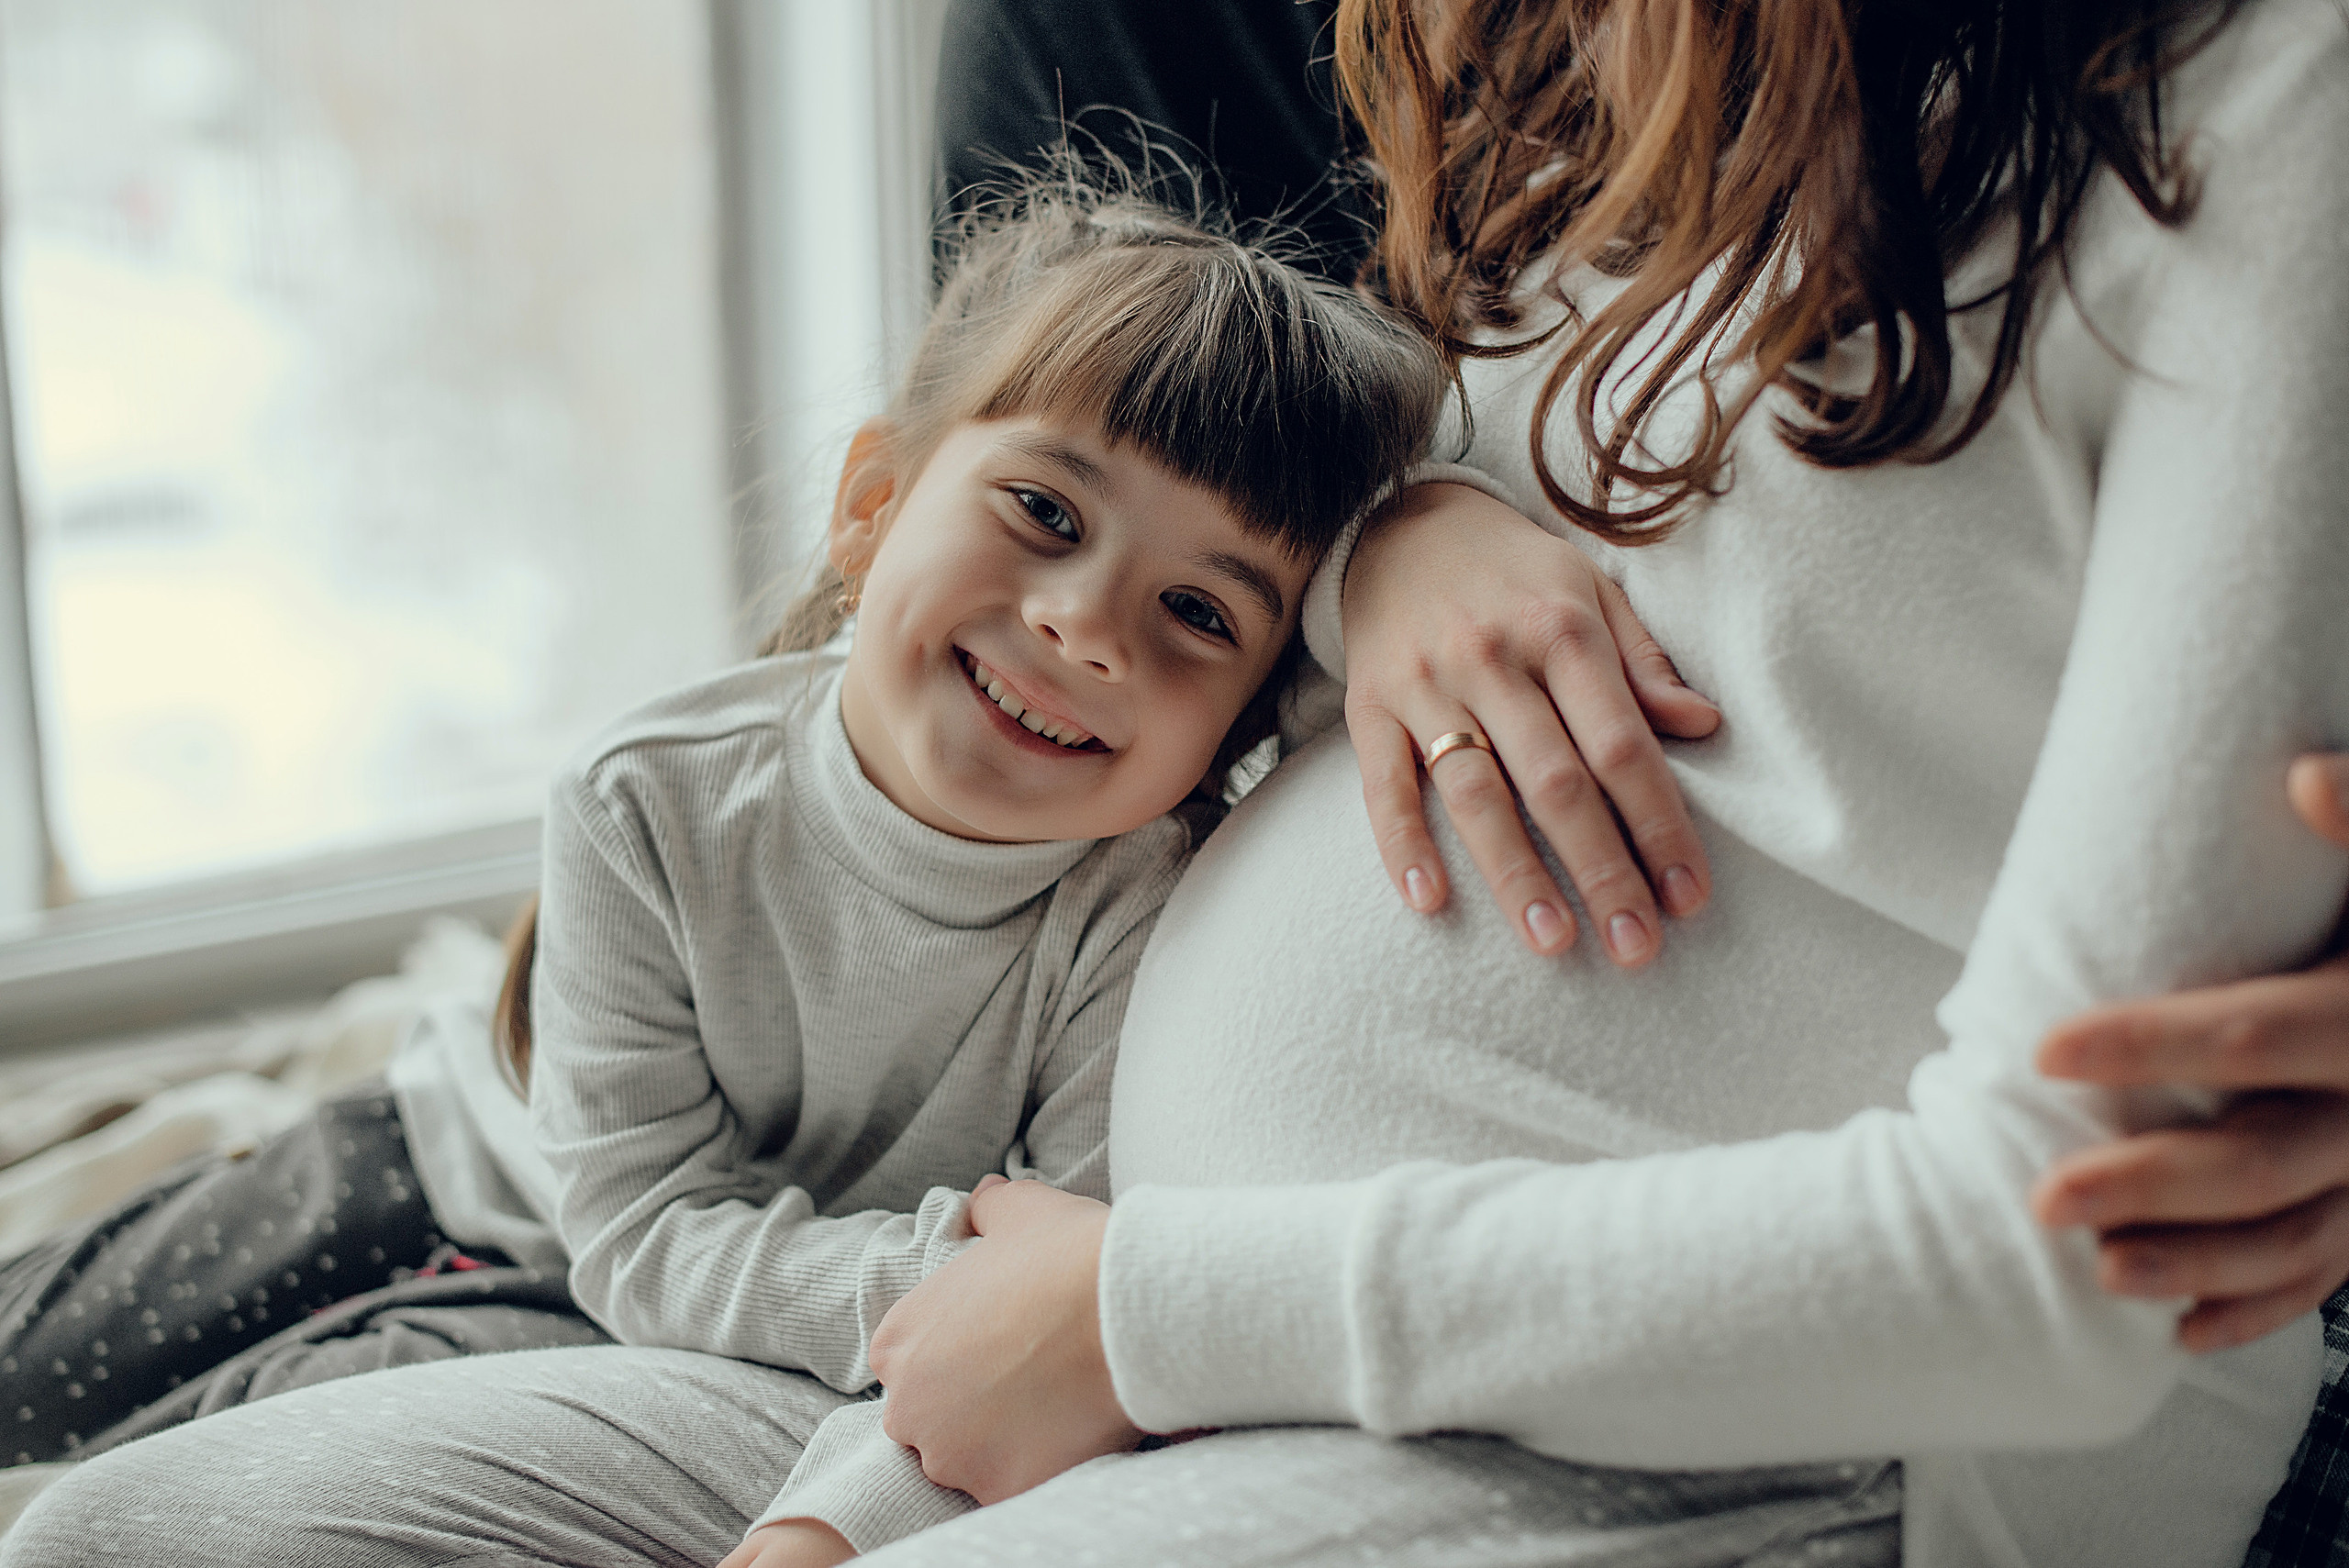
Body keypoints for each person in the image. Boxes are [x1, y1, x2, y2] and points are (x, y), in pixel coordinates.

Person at [841, 1, 2349, 1564]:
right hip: (1231, 1349)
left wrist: (1157, 1313)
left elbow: (2070, 1263)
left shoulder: (2258, 106)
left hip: (1806, 1440)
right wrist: (1382, 543)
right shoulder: (1614, 82)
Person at [0, 179, 1463, 1565]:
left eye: (1199, 612)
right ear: (871, 504)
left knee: (148, 1494)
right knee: (32, 1360)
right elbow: (656, 1222)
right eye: (1046, 513)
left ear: (1247, 718)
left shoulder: (1147, 934)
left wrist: (852, 1498)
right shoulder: (647, 797)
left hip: (597, 1331)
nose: (1085, 627)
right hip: (446, 1164)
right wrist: (950, 1282)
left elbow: (1021, 1353)